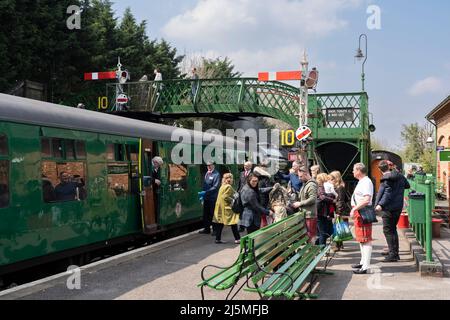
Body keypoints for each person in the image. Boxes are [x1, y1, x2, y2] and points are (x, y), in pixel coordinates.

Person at [375, 160, 410, 262]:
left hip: (388, 208)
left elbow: (387, 193)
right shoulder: (399, 176)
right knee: (392, 230)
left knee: (388, 230)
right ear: (389, 167)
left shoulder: (386, 178)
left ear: (379, 169)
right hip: (398, 206)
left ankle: (393, 254)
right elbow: (407, 185)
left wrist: (380, 205)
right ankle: (394, 252)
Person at [350, 163, 374, 274]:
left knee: (366, 239)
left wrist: (354, 209)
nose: (352, 172)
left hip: (363, 212)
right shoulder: (363, 181)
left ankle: (366, 266)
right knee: (361, 239)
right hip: (360, 212)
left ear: (359, 170)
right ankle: (363, 262)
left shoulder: (366, 182)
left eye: (354, 170)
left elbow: (366, 200)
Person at [291, 166, 318, 243]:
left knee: (311, 236)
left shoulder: (311, 185)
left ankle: (312, 253)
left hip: (310, 215)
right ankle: (311, 251)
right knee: (309, 236)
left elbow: (313, 199)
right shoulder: (306, 184)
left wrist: (300, 203)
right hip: (306, 214)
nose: (299, 178)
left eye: (301, 176)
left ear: (306, 174)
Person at [212, 173, 241, 244]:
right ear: (230, 179)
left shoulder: (222, 186)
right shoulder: (228, 186)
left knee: (220, 223)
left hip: (220, 208)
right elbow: (225, 197)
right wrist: (233, 200)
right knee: (233, 222)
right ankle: (237, 239)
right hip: (225, 208)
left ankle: (217, 239)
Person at [329, 171, 350, 251]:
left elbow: (340, 201)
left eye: (331, 179)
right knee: (339, 228)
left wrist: (339, 212)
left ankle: (338, 246)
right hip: (339, 210)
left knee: (338, 228)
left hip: (340, 211)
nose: (330, 181)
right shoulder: (339, 187)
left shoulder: (340, 187)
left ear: (335, 179)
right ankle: (339, 245)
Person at [198, 161, 221, 235]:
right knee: (206, 214)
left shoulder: (216, 174)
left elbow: (215, 187)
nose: (208, 167)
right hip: (206, 197)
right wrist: (203, 195)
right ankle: (206, 229)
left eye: (210, 165)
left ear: (213, 165)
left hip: (213, 198)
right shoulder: (207, 173)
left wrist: (206, 192)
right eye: (207, 165)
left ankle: (215, 230)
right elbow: (205, 185)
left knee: (213, 214)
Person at [315, 173, 336, 246]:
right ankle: (321, 249)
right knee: (322, 232)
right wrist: (332, 200)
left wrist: (330, 196)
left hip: (322, 212)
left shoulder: (322, 186)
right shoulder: (320, 186)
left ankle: (318, 245)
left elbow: (324, 195)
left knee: (326, 232)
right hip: (320, 212)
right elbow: (322, 197)